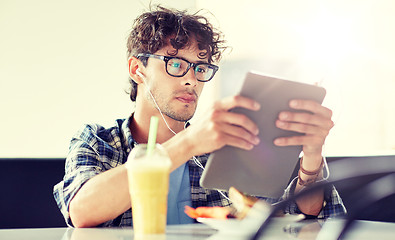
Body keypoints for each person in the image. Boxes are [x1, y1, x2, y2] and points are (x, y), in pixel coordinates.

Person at [53, 6, 346, 228]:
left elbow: (299, 220)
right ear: (137, 69)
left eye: (201, 68)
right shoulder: (98, 142)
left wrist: (311, 157)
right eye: (176, 64)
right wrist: (188, 144)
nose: (192, 80)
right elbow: (81, 211)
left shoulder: (226, 151)